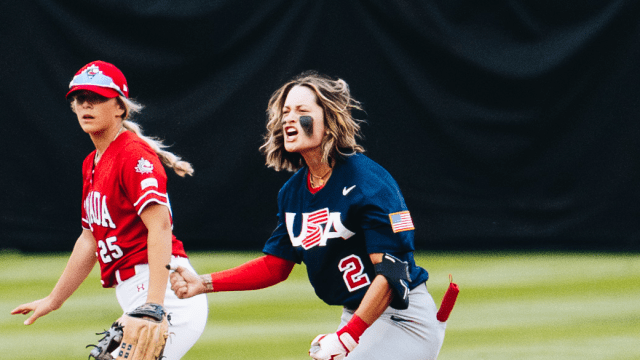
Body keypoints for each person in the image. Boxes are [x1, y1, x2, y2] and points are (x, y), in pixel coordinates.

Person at [168, 71, 446, 360]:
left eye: (301, 111)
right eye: (285, 111)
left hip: (402, 317)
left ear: (329, 121)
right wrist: (204, 283)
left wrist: (347, 337)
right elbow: (276, 265)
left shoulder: (369, 182)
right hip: (358, 317)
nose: (289, 118)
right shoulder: (293, 192)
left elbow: (391, 273)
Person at [11, 60, 208, 360]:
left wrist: (154, 306)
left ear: (120, 107)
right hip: (138, 294)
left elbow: (160, 227)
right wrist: (54, 299)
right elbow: (90, 239)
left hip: (166, 294)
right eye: (80, 98)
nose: (86, 105)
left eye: (97, 97)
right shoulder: (92, 162)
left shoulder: (132, 155)